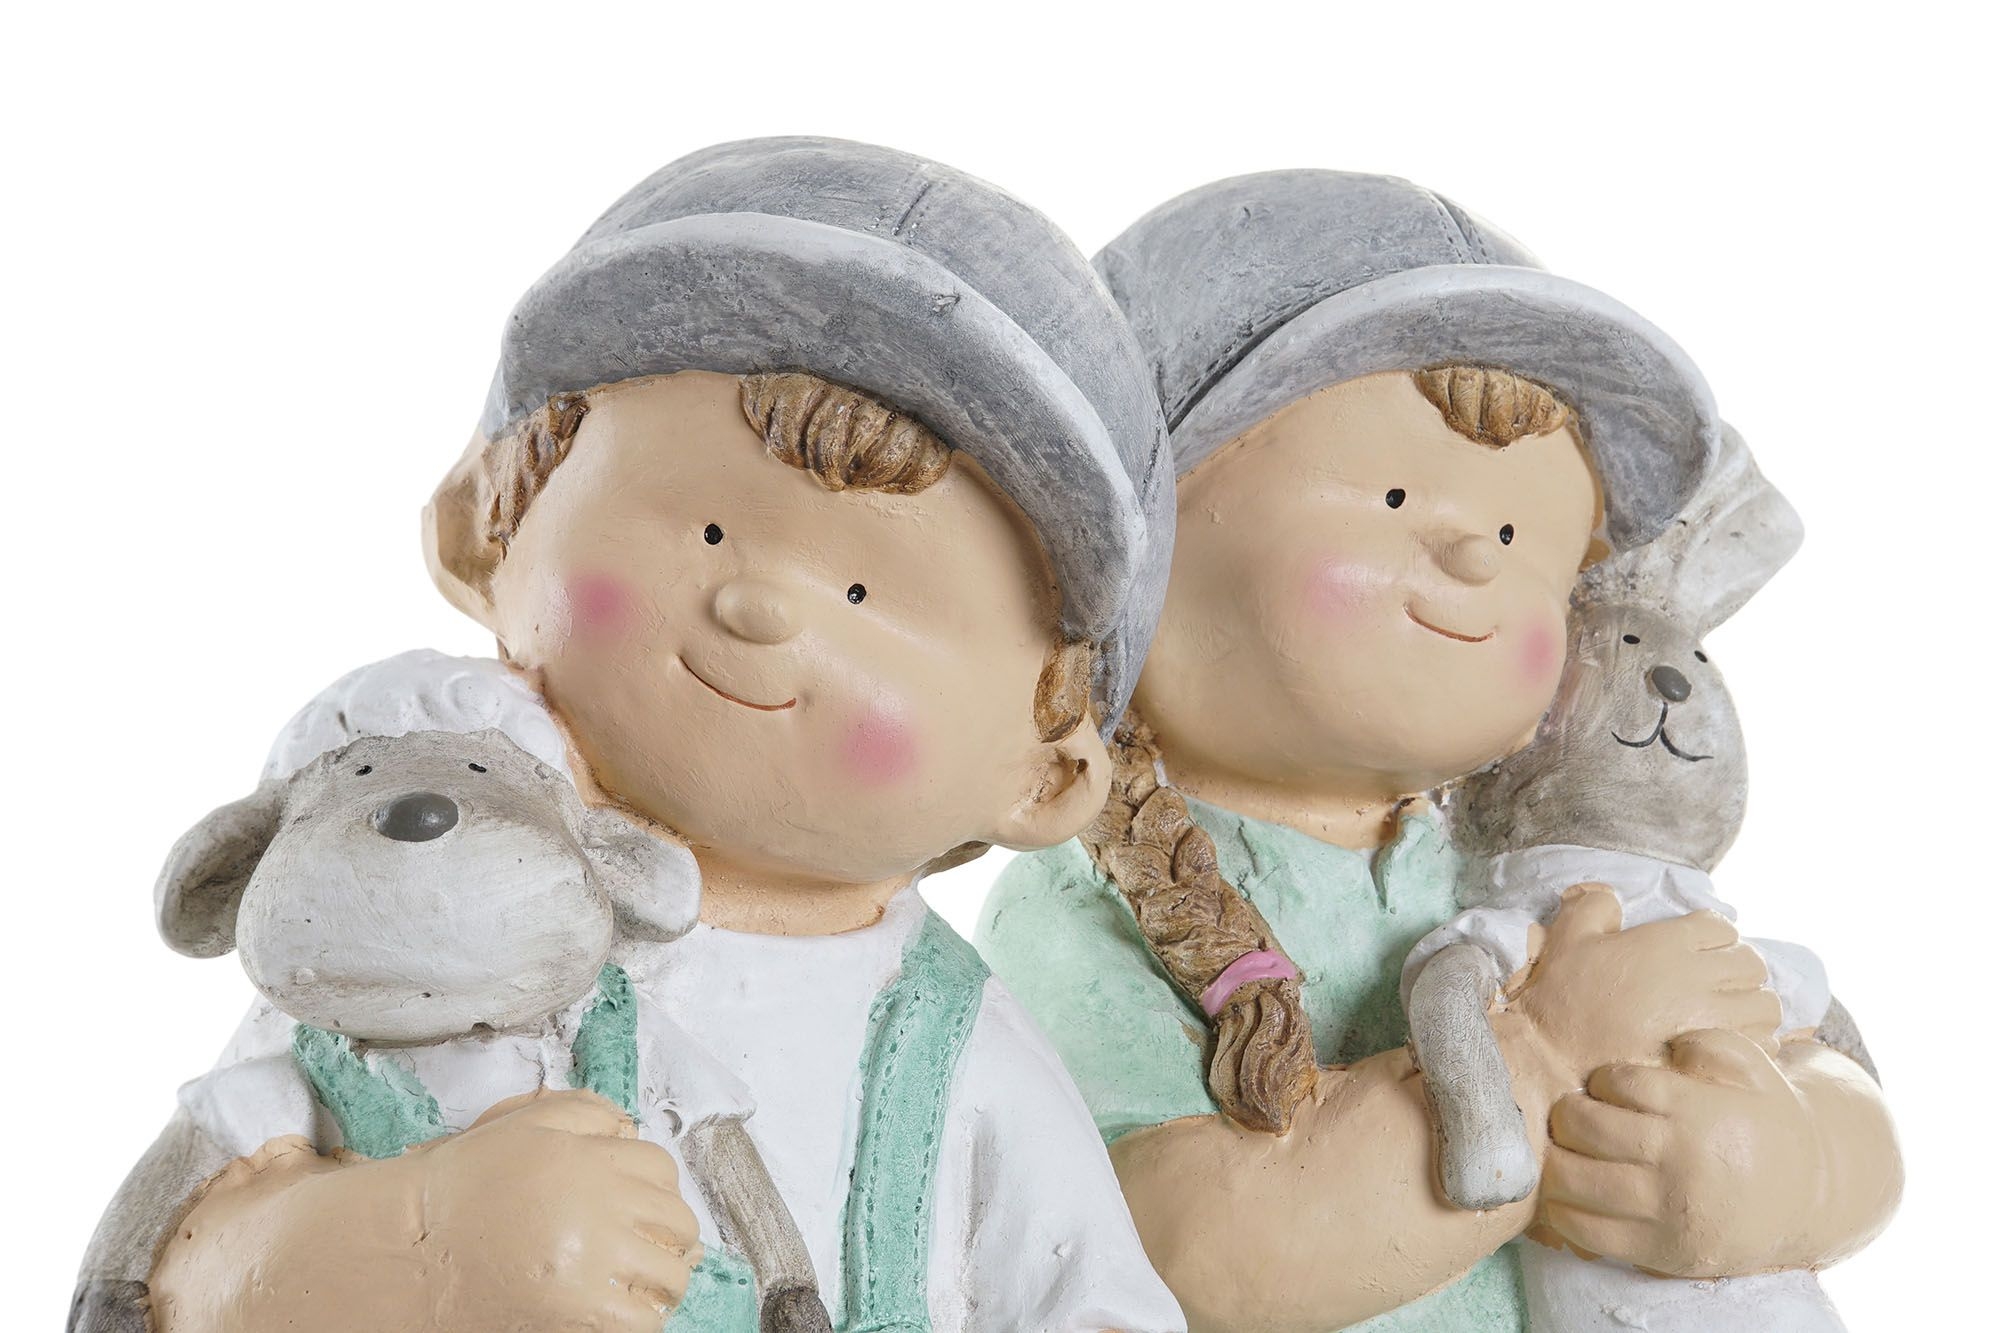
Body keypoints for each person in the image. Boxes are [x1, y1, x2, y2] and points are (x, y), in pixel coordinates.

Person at [134, 137, 1185, 1333]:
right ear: (484, 530)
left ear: (1044, 777)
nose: (758, 604)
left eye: (867, 595)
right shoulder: (396, 917)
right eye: (705, 527)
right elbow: (168, 1280)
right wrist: (412, 1242)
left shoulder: (956, 1061)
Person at [976, 171, 1900, 1331]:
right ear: (1129, 554)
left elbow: (1824, 1068)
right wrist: (1541, 1052)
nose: (1473, 558)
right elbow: (1178, 1250)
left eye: (1517, 535)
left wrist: (1781, 1167)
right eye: (1395, 496)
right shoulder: (1076, 903)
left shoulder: (1530, 862)